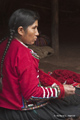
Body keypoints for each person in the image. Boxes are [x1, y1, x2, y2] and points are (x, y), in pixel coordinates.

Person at [0, 8, 80, 120]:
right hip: (18, 112)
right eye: (34, 28)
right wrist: (60, 90)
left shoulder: (4, 44)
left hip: (4, 105)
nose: (37, 33)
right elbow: (31, 93)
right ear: (21, 30)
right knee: (73, 107)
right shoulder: (23, 55)